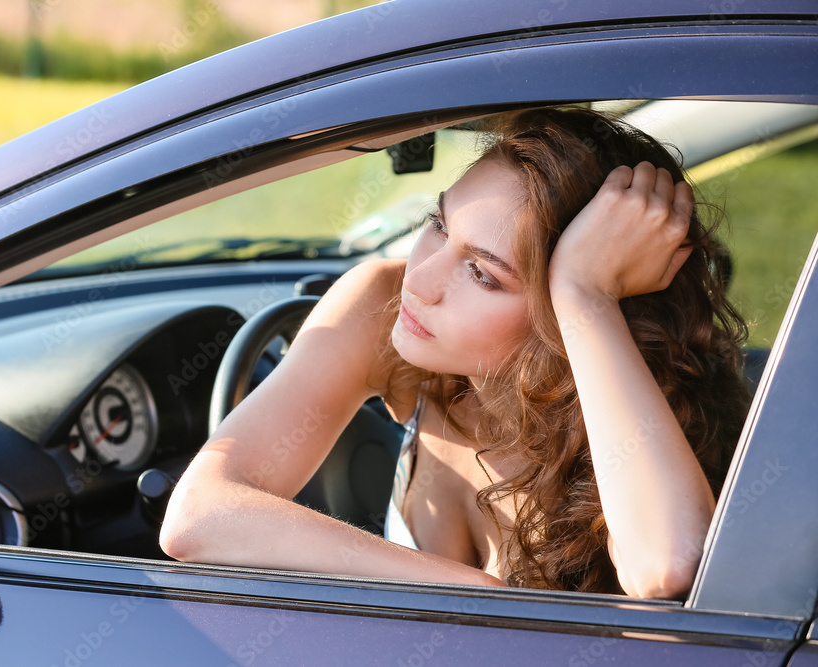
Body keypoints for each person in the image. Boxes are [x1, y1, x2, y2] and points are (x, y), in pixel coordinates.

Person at [159, 106, 750, 598]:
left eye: (483, 274)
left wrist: (584, 295)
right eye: (438, 224)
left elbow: (668, 563)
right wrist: (477, 596)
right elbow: (199, 516)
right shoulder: (382, 301)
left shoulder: (624, 406)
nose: (422, 279)